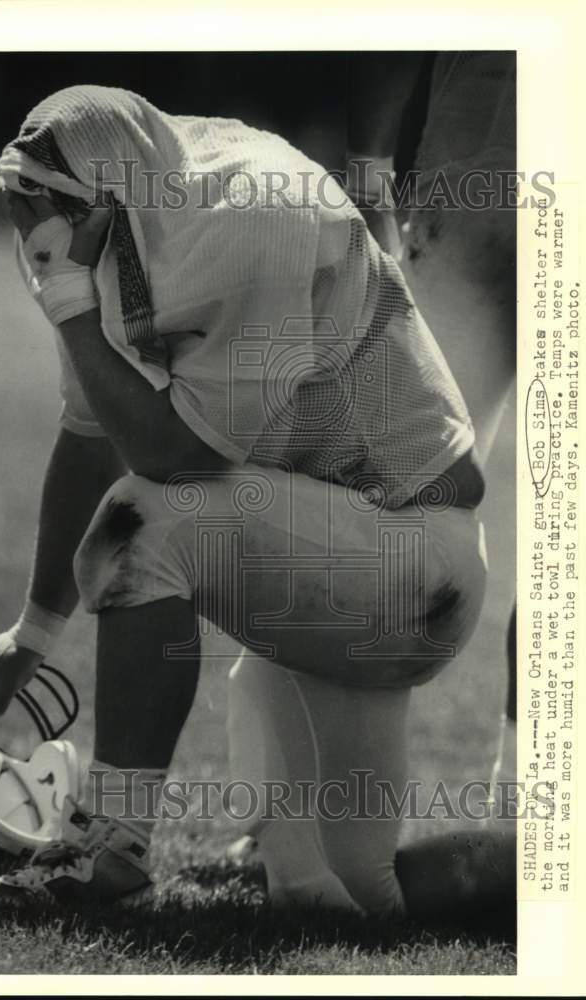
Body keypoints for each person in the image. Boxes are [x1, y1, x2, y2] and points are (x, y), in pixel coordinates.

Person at [0, 84, 489, 914]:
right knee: (358, 899)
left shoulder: (252, 213)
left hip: (416, 558)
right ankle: (546, 886)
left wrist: (69, 310)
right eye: (19, 204)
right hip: (345, 560)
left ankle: (112, 847)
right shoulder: (140, 218)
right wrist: (33, 633)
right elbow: (90, 435)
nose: (30, 236)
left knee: (150, 521)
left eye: (43, 208)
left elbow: (175, 464)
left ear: (110, 189)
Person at [226, 53, 517, 909]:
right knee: (370, 500)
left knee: (378, 501)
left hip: (474, 202)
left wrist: (371, 170)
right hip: (475, 204)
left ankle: (521, 817)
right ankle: (286, 817)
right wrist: (370, 174)